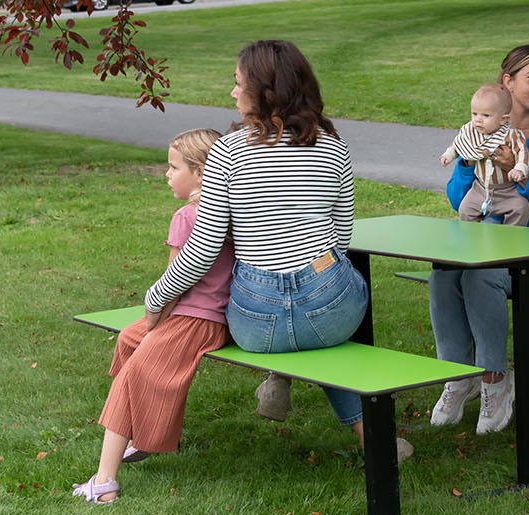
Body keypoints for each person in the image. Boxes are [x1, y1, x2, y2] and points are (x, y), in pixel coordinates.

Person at [143, 40, 410, 460]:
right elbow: (341, 241)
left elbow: (203, 249)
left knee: (290, 312)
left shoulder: (227, 152)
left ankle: (276, 377)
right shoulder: (335, 148)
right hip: (330, 313)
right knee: (338, 285)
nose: (232, 94)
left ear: (264, 92)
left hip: (257, 323)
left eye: (237, 84)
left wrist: (156, 298)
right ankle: (372, 439)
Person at [72, 128, 233, 504]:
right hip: (215, 319)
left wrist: (154, 320)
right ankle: (139, 434)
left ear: (201, 170)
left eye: (174, 167)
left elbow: (173, 280)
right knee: (129, 339)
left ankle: (104, 482)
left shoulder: (186, 217)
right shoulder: (230, 211)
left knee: (132, 374)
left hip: (193, 321)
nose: (167, 174)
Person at [428, 45, 529, 435]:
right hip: (488, 243)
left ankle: (495, 380)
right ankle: (459, 376)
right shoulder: (480, 132)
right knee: (444, 270)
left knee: (482, 276)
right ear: (506, 82)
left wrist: (522, 175)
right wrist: (464, 161)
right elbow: (457, 200)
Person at [440, 83, 529, 226]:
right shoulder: (471, 131)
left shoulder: (510, 135)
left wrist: (520, 168)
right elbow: (458, 143)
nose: (478, 119)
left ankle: (512, 236)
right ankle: (472, 237)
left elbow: (522, 151)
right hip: (480, 188)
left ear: (503, 119)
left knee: (521, 208)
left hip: (507, 190)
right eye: (474, 114)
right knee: (465, 209)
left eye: (486, 115)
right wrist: (448, 155)